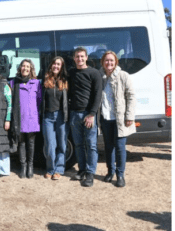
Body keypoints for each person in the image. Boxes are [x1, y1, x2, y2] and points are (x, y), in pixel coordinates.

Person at [99, 51, 136, 187]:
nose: (109, 63)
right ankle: (110, 172)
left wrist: (129, 116)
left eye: (111, 60)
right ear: (102, 62)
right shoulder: (100, 77)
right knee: (108, 147)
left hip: (120, 119)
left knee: (120, 147)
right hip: (105, 118)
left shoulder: (123, 76)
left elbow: (131, 96)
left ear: (116, 62)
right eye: (106, 60)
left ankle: (120, 175)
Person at [69, 47, 102, 187]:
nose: (80, 59)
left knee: (91, 145)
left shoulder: (94, 73)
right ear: (74, 58)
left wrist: (92, 114)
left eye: (82, 56)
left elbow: (97, 95)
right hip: (74, 114)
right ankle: (82, 169)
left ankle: (90, 173)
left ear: (86, 57)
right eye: (77, 56)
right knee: (78, 145)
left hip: (88, 114)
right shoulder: (71, 73)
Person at [9, 59, 42, 179]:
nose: (25, 68)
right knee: (21, 143)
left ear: (31, 69)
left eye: (28, 66)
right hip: (19, 117)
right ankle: (23, 166)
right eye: (23, 66)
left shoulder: (36, 83)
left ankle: (30, 166)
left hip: (32, 117)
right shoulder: (13, 83)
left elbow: (39, 101)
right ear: (20, 68)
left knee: (31, 143)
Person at [42, 57, 69, 180]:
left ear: (61, 66)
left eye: (59, 64)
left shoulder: (65, 80)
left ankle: (59, 170)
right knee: (50, 144)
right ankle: (50, 169)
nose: (56, 66)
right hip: (47, 116)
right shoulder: (45, 79)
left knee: (62, 144)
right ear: (51, 65)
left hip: (61, 116)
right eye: (54, 64)